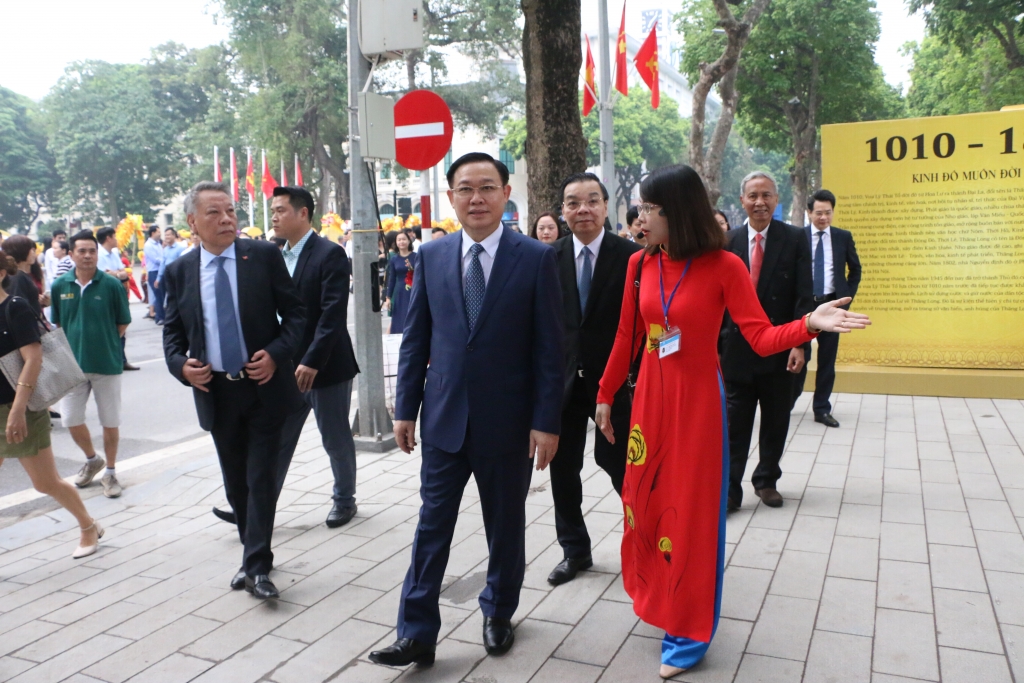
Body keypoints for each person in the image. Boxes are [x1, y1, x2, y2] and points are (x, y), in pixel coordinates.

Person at [595, 164, 869, 678]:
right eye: (641, 209)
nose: (640, 218)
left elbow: (760, 336)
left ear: (677, 212)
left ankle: (689, 632)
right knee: (643, 502)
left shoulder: (724, 266)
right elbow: (626, 336)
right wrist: (606, 393)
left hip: (698, 405)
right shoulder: (639, 265)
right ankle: (658, 595)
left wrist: (809, 324)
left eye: (650, 209)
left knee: (692, 518)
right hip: (650, 402)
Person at [369, 153, 563, 668]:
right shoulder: (431, 257)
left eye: (486, 187)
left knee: (505, 524)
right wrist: (404, 408)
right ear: (451, 196)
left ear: (505, 193)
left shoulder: (537, 258)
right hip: (444, 420)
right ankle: (416, 633)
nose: (475, 198)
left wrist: (547, 421)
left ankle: (499, 612)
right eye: (464, 189)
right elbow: (417, 339)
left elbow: (551, 350)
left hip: (511, 422)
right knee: (431, 526)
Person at [162, 181, 305, 600]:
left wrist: (276, 354)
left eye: (230, 211)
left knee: (260, 477)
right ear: (192, 222)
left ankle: (256, 566)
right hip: (217, 392)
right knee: (236, 483)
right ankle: (253, 552)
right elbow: (172, 334)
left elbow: (296, 315)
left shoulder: (262, 255)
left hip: (262, 387)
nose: (226, 219)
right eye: (214, 213)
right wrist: (180, 367)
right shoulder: (179, 271)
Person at [546, 173, 641, 586]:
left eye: (591, 200)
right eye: (572, 202)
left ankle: (643, 544)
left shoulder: (632, 256)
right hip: (563, 385)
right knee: (562, 471)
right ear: (563, 210)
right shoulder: (547, 258)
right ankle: (575, 550)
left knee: (621, 466)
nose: (582, 209)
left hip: (616, 383)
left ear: (606, 206)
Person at [0, 254, 105, 558]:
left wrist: (19, 410)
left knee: (45, 482)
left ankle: (88, 525)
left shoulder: (14, 308)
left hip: (19, 407)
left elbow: (33, 358)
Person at [722, 171, 814, 511]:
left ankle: (766, 480)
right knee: (735, 425)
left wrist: (799, 343)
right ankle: (730, 490)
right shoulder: (728, 242)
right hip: (738, 353)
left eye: (767, 195)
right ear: (742, 199)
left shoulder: (794, 239)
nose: (760, 202)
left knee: (776, 418)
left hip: (780, 348)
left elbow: (805, 296)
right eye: (753, 195)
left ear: (776, 199)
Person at [271, 186, 360, 528]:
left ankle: (344, 500)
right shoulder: (276, 256)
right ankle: (259, 502)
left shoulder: (329, 254)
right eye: (274, 211)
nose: (275, 217)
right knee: (278, 438)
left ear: (302, 213)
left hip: (326, 366)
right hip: (287, 367)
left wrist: (311, 359)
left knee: (334, 437)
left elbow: (332, 314)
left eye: (280, 210)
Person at [50, 230, 133, 499]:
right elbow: (59, 324)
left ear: (97, 253)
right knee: (70, 419)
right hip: (73, 366)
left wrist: (105, 343)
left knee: (110, 421)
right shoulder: (60, 285)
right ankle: (91, 459)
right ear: (71, 253)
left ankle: (110, 471)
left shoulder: (110, 285)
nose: (87, 255)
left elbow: (123, 322)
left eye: (92, 251)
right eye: (81, 251)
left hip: (106, 364)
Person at [793, 189, 862, 426]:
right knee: (799, 353)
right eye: (819, 213)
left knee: (827, 360)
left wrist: (846, 297)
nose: (824, 217)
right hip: (805, 305)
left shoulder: (843, 237)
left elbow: (856, 269)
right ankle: (789, 399)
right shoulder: (798, 237)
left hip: (832, 304)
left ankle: (821, 408)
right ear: (809, 212)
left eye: (828, 213)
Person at [95, 227, 138, 372]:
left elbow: (123, 272)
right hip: (105, 295)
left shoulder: (113, 253)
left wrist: (115, 273)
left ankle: (122, 360)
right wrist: (116, 274)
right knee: (108, 329)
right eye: (114, 236)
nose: (117, 239)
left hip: (118, 293)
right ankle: (111, 361)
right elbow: (104, 275)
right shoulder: (99, 254)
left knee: (122, 325)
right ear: (108, 238)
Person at [3, 236, 46, 315]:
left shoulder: (20, 275)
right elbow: (19, 308)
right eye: (31, 250)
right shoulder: (17, 276)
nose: (34, 253)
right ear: (23, 251)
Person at [385, 231, 418, 334]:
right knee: (399, 317)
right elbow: (391, 279)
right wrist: (388, 297)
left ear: (409, 241)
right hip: (399, 292)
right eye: (399, 240)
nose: (401, 242)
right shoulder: (394, 259)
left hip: (414, 291)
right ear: (396, 242)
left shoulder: (416, 256)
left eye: (404, 239)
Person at [144, 225, 165, 323]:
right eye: (158, 232)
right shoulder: (148, 245)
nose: (160, 234)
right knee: (158, 294)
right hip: (154, 272)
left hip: (160, 271)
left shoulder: (158, 244)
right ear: (152, 233)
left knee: (162, 294)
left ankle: (162, 316)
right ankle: (159, 317)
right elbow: (155, 259)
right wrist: (166, 262)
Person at [156, 227, 185, 292]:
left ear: (174, 235)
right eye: (165, 235)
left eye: (168, 235)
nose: (166, 237)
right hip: (167, 277)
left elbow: (183, 264)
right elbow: (162, 264)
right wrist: (158, 278)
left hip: (177, 277)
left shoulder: (180, 248)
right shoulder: (165, 250)